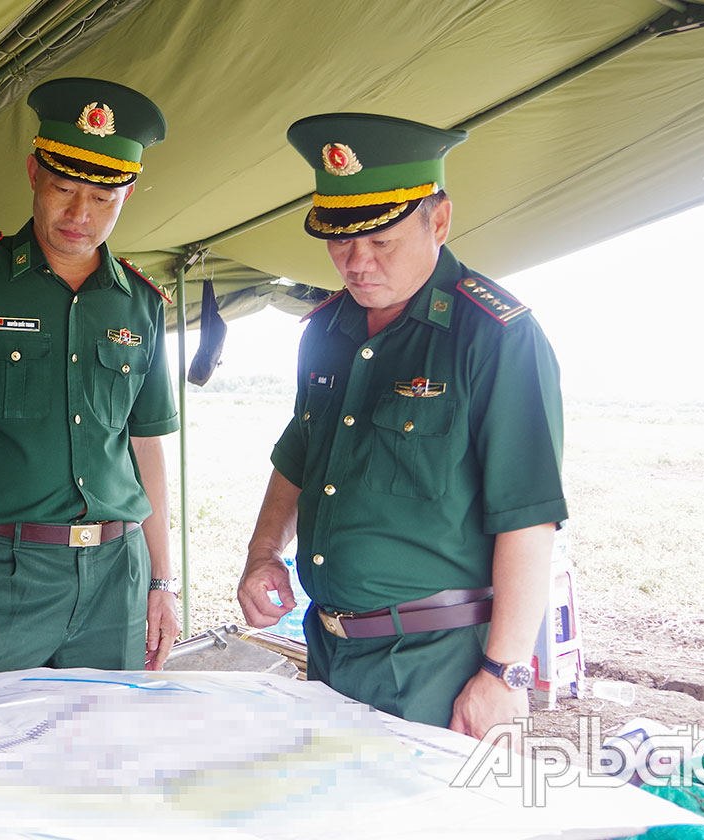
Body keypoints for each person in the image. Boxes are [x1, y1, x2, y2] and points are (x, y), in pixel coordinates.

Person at [236, 113, 567, 738]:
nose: (356, 263)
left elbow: (529, 516)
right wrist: (262, 555)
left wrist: (503, 674)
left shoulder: (495, 336)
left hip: (435, 665)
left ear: (438, 220)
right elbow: (298, 459)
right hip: (330, 648)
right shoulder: (326, 331)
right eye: (339, 241)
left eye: (381, 241)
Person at [0, 77, 181, 675]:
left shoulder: (141, 302)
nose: (80, 214)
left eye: (103, 200)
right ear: (32, 174)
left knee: (103, 753)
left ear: (128, 196)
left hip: (116, 576)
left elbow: (145, 444)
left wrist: (162, 581)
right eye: (64, 190)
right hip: (3, 572)